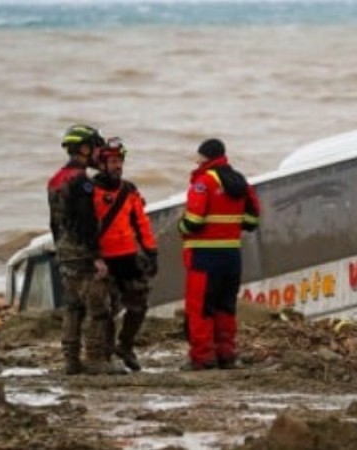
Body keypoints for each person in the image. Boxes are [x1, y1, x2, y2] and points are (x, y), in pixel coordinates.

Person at [47, 124, 124, 375]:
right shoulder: (81, 181)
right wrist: (97, 256)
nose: (100, 154)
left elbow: (54, 222)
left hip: (64, 251)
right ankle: (94, 359)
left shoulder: (56, 179)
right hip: (83, 254)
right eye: (97, 148)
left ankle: (71, 360)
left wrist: (61, 248)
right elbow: (86, 222)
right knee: (98, 308)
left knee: (72, 307)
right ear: (84, 149)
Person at [178, 138, 260, 370]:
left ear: (206, 157)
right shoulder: (240, 181)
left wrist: (180, 227)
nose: (196, 161)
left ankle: (203, 358)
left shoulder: (203, 182)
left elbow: (193, 221)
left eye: (199, 157)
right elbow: (252, 220)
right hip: (232, 256)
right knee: (225, 307)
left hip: (204, 257)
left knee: (201, 308)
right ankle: (226, 354)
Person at [91, 137, 158, 372]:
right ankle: (107, 353)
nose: (118, 165)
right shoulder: (90, 191)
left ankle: (126, 345)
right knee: (106, 310)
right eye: (113, 161)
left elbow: (141, 223)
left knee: (139, 304)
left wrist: (151, 251)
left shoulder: (129, 190)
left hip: (128, 257)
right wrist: (93, 257)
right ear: (102, 164)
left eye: (120, 161)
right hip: (104, 260)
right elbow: (83, 227)